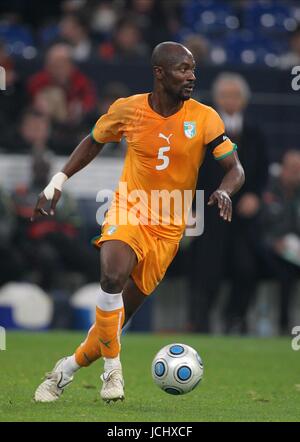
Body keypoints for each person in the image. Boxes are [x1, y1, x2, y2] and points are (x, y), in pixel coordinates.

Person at [32, 42, 245, 403]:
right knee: (111, 277)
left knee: (114, 321)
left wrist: (226, 190)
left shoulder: (205, 117)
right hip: (129, 209)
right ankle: (113, 372)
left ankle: (64, 370)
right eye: (182, 69)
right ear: (159, 73)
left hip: (170, 226)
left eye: (193, 69)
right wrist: (58, 181)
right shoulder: (127, 109)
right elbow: (93, 141)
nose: (191, 76)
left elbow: (234, 168)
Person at [261, 150, 300, 334]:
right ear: (282, 169)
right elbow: (259, 227)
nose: (296, 173)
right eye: (293, 168)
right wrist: (274, 243)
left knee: (290, 270)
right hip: (268, 251)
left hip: (295, 252)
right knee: (286, 273)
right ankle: (284, 324)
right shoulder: (268, 190)